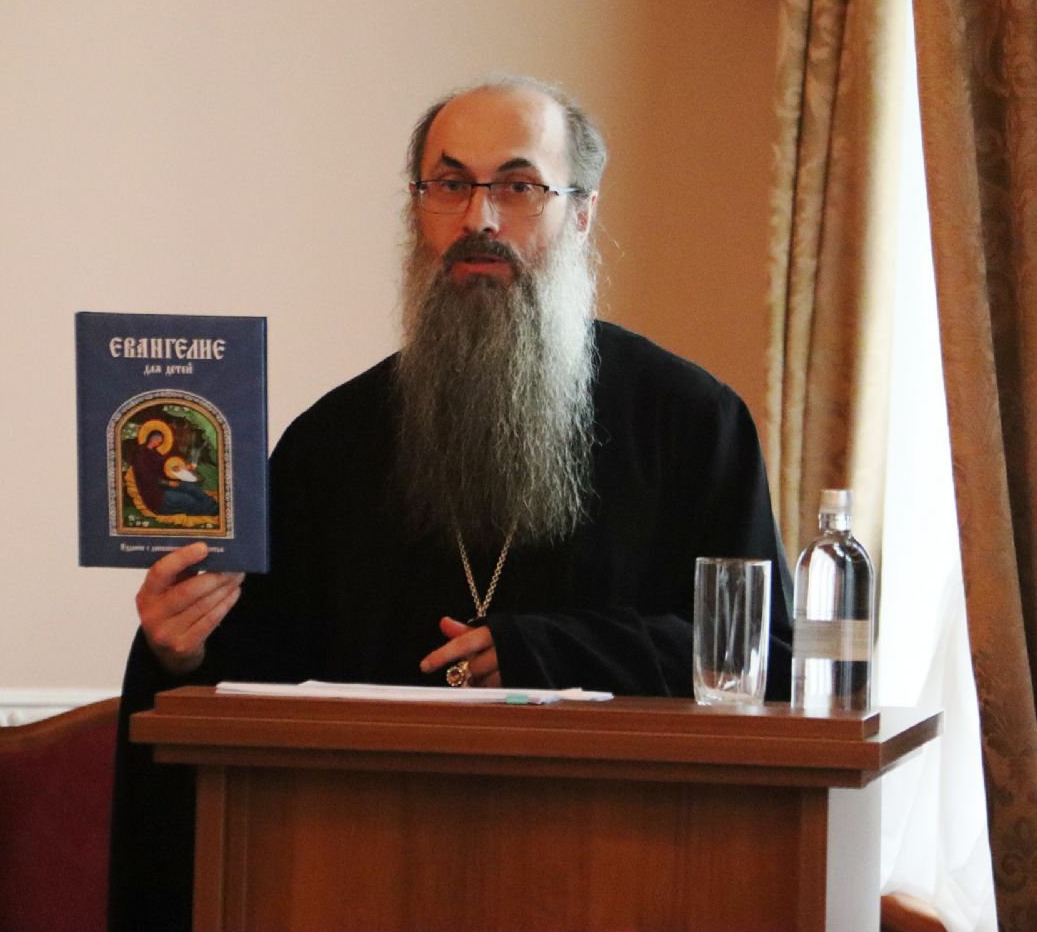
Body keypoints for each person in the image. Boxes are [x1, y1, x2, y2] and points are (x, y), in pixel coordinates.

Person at [108, 76, 793, 930]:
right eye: (450, 184)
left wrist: (544, 654)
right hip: (362, 881)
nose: (480, 219)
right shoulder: (333, 440)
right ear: (418, 209)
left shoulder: (688, 422)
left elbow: (760, 657)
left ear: (581, 214)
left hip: (620, 877)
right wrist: (179, 649)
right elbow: (259, 664)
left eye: (519, 186)